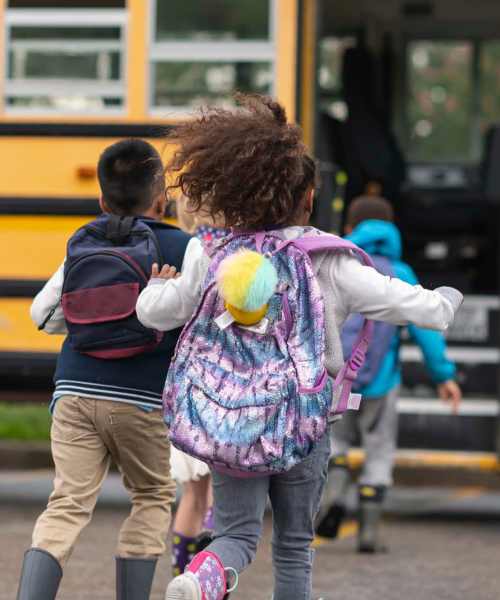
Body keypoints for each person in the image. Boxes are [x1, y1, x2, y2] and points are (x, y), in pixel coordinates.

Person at [135, 94, 463, 600]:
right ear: (308, 196)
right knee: (293, 544)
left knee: (236, 535)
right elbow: (412, 306)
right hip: (302, 427)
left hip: (230, 423)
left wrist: (155, 289)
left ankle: (204, 577)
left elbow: (157, 313)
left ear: (233, 195)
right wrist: (445, 300)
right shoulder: (329, 260)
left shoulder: (209, 251)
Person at [18, 139, 194, 600]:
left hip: (73, 392)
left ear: (101, 199)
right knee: (152, 496)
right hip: (143, 399)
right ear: (162, 197)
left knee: (68, 503)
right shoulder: (182, 246)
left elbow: (42, 314)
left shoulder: (84, 240)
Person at [315, 195, 462, 553]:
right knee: (379, 451)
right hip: (382, 380)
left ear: (350, 229)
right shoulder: (402, 272)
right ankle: (368, 533)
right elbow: (427, 330)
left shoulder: (338, 266)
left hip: (337, 379)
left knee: (337, 443)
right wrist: (443, 375)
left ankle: (334, 488)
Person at [168, 195, 229, 577]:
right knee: (218, 495)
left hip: (187, 385)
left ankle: (182, 573)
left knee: (193, 492)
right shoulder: (231, 253)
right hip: (224, 387)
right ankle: (201, 575)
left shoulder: (183, 251)